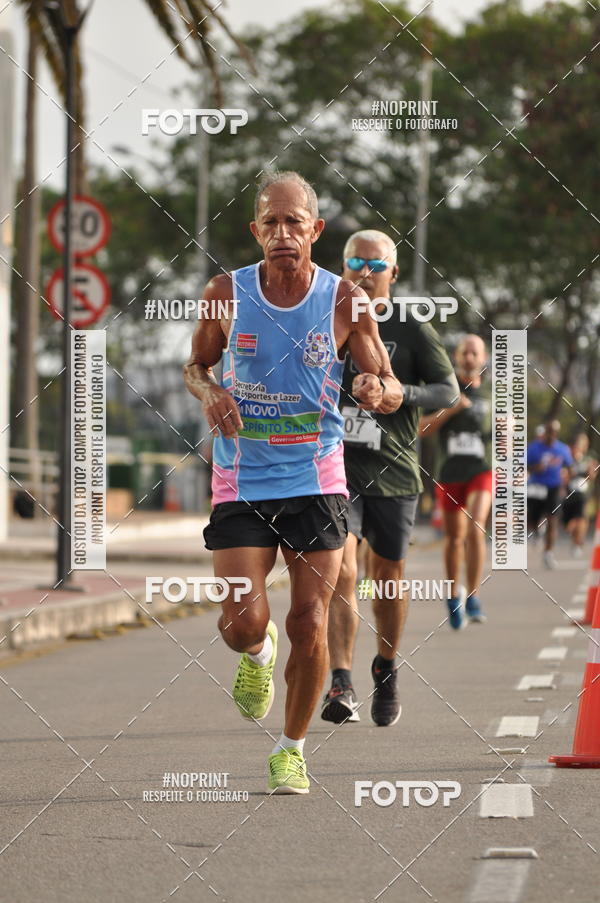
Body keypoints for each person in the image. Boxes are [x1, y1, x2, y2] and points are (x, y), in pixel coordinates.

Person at [183, 172, 403, 794]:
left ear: (315, 229)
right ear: (256, 230)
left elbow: (388, 384)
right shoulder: (225, 293)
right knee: (241, 623)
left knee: (310, 621)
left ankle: (292, 749)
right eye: (271, 222)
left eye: (294, 222)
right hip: (242, 479)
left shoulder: (346, 300)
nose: (282, 232)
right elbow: (195, 365)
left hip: (317, 480)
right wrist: (210, 390)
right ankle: (257, 652)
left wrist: (376, 389)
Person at [321, 229, 458, 726]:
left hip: (394, 474)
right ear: (342, 268)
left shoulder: (412, 325)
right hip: (334, 468)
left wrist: (403, 395)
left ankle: (385, 666)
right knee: (341, 570)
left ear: (393, 273)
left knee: (387, 577)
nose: (365, 272)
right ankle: (341, 680)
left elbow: (447, 389)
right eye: (356, 262)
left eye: (376, 264)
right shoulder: (322, 320)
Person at [419, 335, 492, 629]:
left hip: (482, 470)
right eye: (465, 352)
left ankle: (473, 595)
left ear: (484, 358)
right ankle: (452, 596)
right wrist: (451, 409)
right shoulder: (445, 389)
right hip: (449, 472)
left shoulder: (492, 395)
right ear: (457, 357)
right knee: (454, 539)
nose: (470, 357)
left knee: (476, 527)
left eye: (475, 353)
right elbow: (421, 428)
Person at [527, 420, 573, 568]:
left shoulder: (562, 449)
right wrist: (535, 468)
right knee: (533, 517)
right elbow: (524, 466)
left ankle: (548, 553)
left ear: (557, 433)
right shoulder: (534, 447)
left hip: (554, 487)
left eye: (554, 432)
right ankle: (536, 531)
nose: (551, 435)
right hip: (536, 487)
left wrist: (565, 482)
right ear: (544, 432)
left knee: (552, 520)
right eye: (549, 432)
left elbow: (569, 468)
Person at [563, 433, 596, 557]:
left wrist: (591, 471)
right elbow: (563, 476)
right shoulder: (567, 460)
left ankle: (577, 544)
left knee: (581, 518)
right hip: (568, 495)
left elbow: (592, 477)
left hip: (582, 494)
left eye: (583, 444)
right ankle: (576, 539)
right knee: (569, 524)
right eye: (577, 444)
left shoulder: (588, 459)